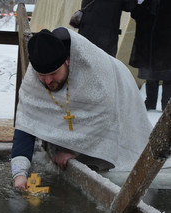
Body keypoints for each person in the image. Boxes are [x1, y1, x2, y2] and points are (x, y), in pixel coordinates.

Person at [11, 27, 153, 190]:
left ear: (68, 60)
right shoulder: (34, 79)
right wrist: (19, 174)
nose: (48, 81)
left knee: (127, 156)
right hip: (99, 104)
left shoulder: (96, 74)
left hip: (119, 91)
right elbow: (26, 124)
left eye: (54, 73)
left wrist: (73, 151)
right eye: (42, 75)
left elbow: (106, 115)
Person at [129, 0, 171, 111]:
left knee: (168, 75)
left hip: (166, 38)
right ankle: (150, 102)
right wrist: (139, 4)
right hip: (148, 38)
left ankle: (166, 104)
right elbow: (135, 13)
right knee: (150, 73)